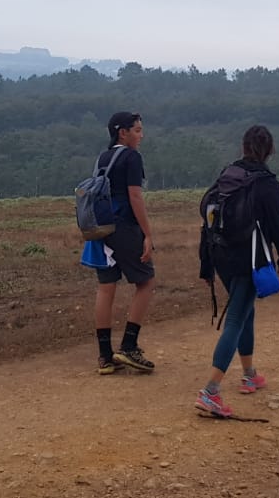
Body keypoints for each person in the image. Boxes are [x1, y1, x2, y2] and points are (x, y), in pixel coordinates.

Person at [194, 126, 279, 418]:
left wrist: (205, 264)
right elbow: (278, 224)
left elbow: (208, 220)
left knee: (245, 310)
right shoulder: (267, 183)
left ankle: (250, 374)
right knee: (236, 316)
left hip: (221, 254)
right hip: (250, 258)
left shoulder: (227, 175)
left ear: (244, 146)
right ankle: (210, 392)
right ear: (270, 149)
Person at [92, 111, 157, 374]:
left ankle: (105, 357)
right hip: (124, 228)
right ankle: (129, 346)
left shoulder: (102, 158)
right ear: (123, 132)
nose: (141, 135)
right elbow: (135, 196)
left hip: (99, 229)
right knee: (146, 281)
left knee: (106, 287)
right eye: (138, 130)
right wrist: (148, 234)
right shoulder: (132, 157)